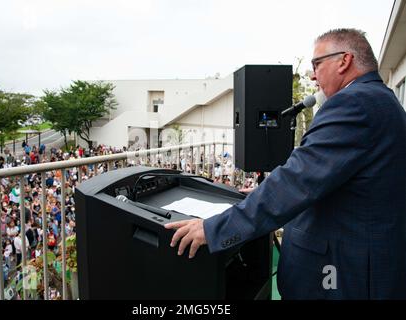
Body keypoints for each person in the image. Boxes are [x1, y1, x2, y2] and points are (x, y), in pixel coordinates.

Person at [165, 28, 406, 299]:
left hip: (344, 275)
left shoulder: (354, 104)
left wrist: (214, 229)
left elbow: (296, 182)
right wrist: (262, 192)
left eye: (317, 64)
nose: (313, 75)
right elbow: (329, 177)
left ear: (344, 61)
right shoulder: (381, 99)